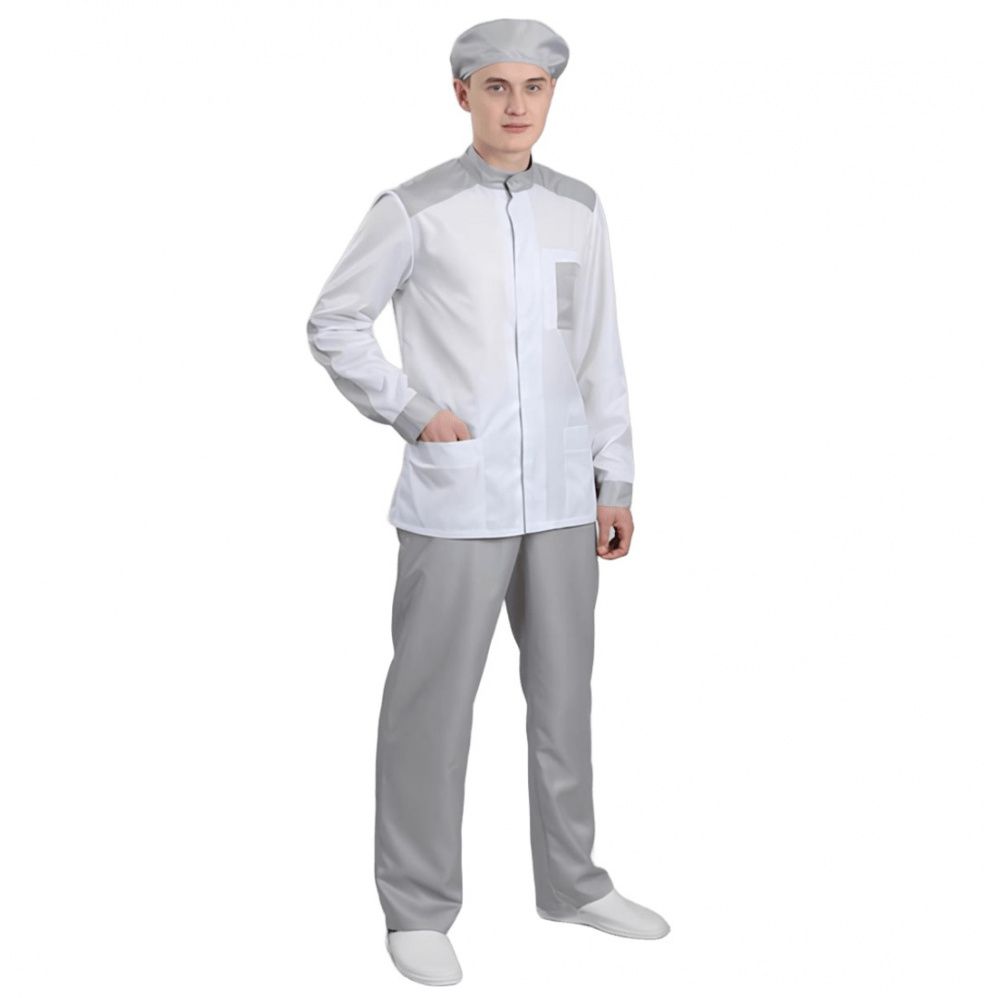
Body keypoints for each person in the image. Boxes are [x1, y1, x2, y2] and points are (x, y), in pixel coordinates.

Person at [306, 17, 670, 987]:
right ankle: (417, 907)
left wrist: (615, 478)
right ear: (461, 93)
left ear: (552, 96)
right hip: (458, 499)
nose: (516, 106)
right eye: (497, 87)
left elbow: (597, 350)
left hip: (562, 498)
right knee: (431, 706)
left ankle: (574, 882)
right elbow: (334, 320)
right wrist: (413, 411)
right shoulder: (413, 208)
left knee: (564, 699)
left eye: (533, 89)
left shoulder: (579, 209)